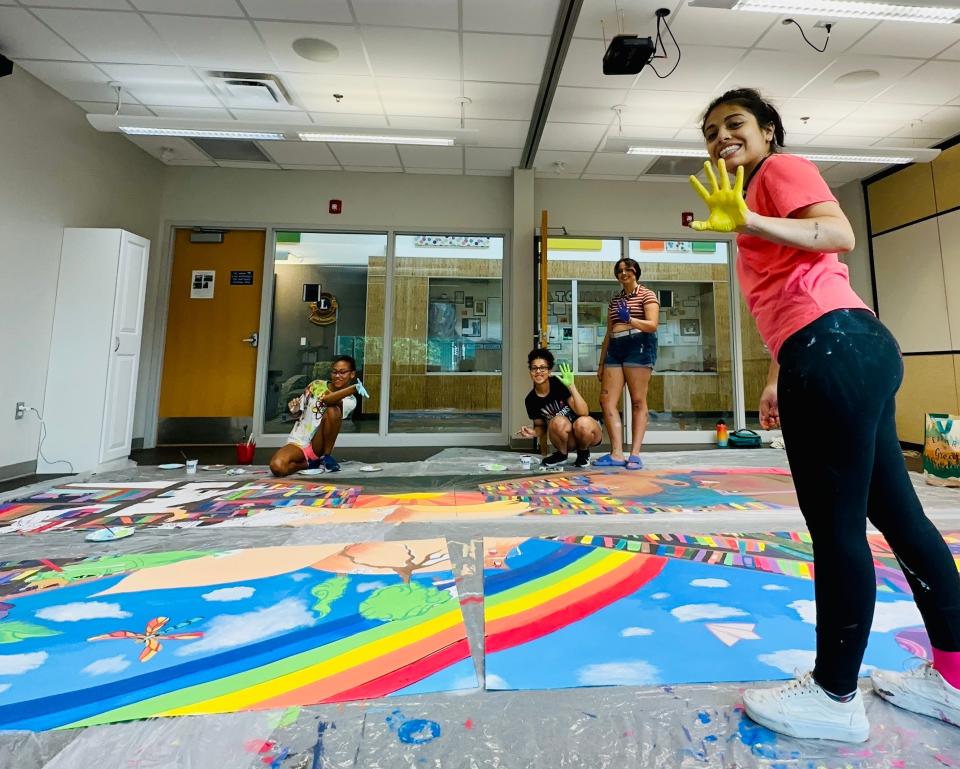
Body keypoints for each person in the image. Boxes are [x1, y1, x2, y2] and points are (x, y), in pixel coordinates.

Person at [690, 87, 960, 742]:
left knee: (837, 529)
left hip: (835, 349)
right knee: (901, 518)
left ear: (769, 133)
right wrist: (781, 374)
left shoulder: (779, 172)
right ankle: (955, 678)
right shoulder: (749, 198)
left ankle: (835, 694)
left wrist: (749, 223)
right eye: (710, 132)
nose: (722, 137)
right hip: (851, 345)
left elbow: (836, 233)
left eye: (736, 124)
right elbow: (800, 290)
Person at [593, 257, 659, 470]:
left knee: (638, 400)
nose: (624, 273)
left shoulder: (647, 295)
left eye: (628, 269)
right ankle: (616, 453)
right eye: (619, 270)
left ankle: (635, 454)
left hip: (638, 344)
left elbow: (652, 325)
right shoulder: (615, 301)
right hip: (616, 347)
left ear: (636, 272)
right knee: (606, 399)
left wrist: (630, 319)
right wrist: (602, 362)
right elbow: (608, 332)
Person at [269, 355, 367, 476]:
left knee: (333, 409)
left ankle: (326, 456)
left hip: (318, 444)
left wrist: (352, 389)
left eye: (342, 372)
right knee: (277, 467)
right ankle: (309, 464)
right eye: (334, 372)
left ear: (352, 374)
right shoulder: (315, 385)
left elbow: (327, 400)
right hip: (299, 440)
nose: (337, 376)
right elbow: (299, 412)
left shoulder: (350, 400)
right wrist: (294, 410)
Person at [516, 348, 602, 468]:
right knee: (557, 420)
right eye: (534, 368)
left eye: (543, 368)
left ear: (549, 371)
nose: (538, 371)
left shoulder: (558, 384)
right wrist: (534, 432)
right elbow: (541, 426)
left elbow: (584, 412)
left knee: (582, 422)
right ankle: (562, 455)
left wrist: (571, 387)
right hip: (568, 439)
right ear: (530, 371)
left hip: (587, 433)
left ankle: (583, 452)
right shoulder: (530, 400)